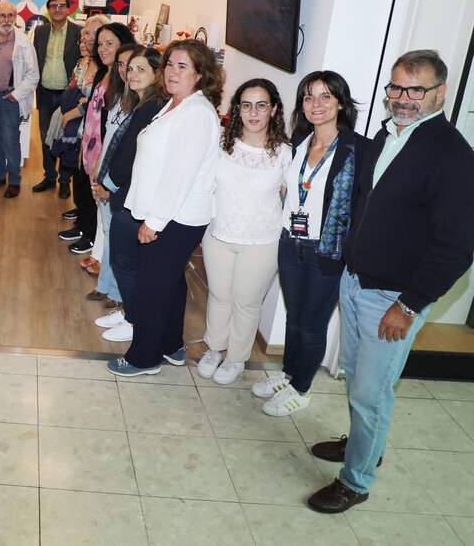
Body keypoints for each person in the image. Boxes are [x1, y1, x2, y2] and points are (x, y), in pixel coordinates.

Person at [307, 50, 474, 513]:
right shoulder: (386, 135)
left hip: (393, 299)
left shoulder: (453, 156)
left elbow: (457, 247)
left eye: (416, 90)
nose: (403, 98)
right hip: (356, 281)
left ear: (440, 93)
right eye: (396, 87)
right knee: (356, 378)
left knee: (371, 392)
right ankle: (365, 445)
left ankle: (356, 481)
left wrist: (409, 305)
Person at [250, 71, 367, 416]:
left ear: (341, 103)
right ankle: (289, 375)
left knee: (312, 325)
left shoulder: (358, 149)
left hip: (326, 251)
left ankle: (301, 389)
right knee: (294, 318)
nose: (316, 104)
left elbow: (365, 204)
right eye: (309, 97)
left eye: (326, 97)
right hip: (291, 243)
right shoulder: (300, 140)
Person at [107, 39, 222, 376]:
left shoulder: (196, 113)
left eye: (182, 66)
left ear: (200, 75)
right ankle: (171, 345)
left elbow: (179, 174)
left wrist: (154, 222)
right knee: (170, 283)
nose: (172, 72)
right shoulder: (175, 104)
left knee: (153, 288)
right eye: (170, 64)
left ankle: (144, 358)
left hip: (175, 218)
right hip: (166, 214)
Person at [197, 79, 291, 384]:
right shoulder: (222, 142)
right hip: (218, 235)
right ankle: (214, 348)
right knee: (219, 296)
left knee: (246, 302)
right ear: (238, 109)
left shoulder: (285, 153)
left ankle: (236, 358)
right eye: (246, 105)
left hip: (262, 241)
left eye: (261, 105)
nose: (253, 113)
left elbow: (291, 200)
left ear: (273, 110)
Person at [90, 44, 164, 338]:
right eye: (130, 69)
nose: (131, 74)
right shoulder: (142, 104)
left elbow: (131, 154)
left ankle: (134, 320)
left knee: (127, 262)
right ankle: (127, 313)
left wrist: (108, 185)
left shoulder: (151, 108)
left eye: (140, 69)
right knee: (123, 258)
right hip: (126, 190)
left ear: (157, 73)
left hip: (131, 193)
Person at [67, 23, 134, 258]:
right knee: (92, 198)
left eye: (109, 43)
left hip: (105, 150)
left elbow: (115, 125)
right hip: (91, 142)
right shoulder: (104, 72)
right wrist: (83, 144)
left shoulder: (123, 80)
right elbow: (93, 112)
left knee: (101, 203)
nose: (103, 48)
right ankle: (92, 242)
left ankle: (94, 246)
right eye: (100, 44)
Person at [56, 15, 109, 251]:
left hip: (91, 132)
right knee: (78, 176)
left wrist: (74, 111)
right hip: (80, 130)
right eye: (86, 33)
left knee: (89, 182)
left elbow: (97, 101)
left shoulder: (105, 68)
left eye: (96, 34)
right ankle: (82, 219)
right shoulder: (83, 62)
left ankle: (89, 233)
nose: (89, 38)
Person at [0, 1, 39, 198]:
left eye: (10, 15)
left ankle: (14, 180)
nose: (6, 20)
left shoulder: (23, 42)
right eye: (2, 16)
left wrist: (16, 95)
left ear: (15, 17)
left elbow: (33, 75)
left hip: (10, 99)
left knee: (10, 141)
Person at [32, 0, 83, 197]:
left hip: (68, 95)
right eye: (53, 6)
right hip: (45, 93)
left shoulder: (78, 32)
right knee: (46, 136)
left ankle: (64, 180)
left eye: (62, 5)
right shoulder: (41, 31)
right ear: (48, 10)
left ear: (68, 9)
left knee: (66, 136)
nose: (58, 9)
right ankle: (50, 176)